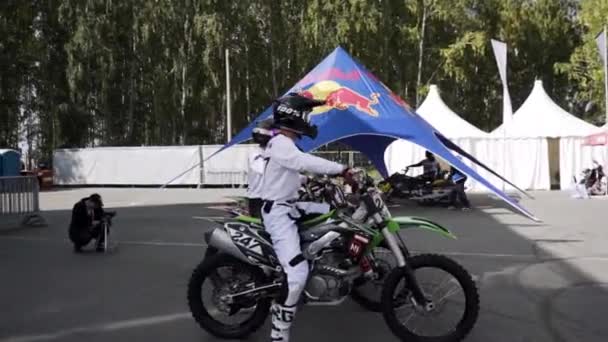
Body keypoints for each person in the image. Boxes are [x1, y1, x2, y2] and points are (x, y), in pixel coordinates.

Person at [261, 93, 349, 342]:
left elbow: (290, 172)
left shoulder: (285, 143)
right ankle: (278, 333)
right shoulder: (280, 143)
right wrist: (342, 169)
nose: (309, 120)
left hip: (290, 206)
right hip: (278, 213)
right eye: (306, 114)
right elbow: (300, 162)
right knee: (297, 274)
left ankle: (322, 261)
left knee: (335, 215)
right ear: (295, 116)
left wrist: (317, 181)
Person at [247, 119, 275, 218]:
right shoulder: (256, 154)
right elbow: (265, 170)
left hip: (270, 198)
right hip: (258, 199)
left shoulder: (271, 152)